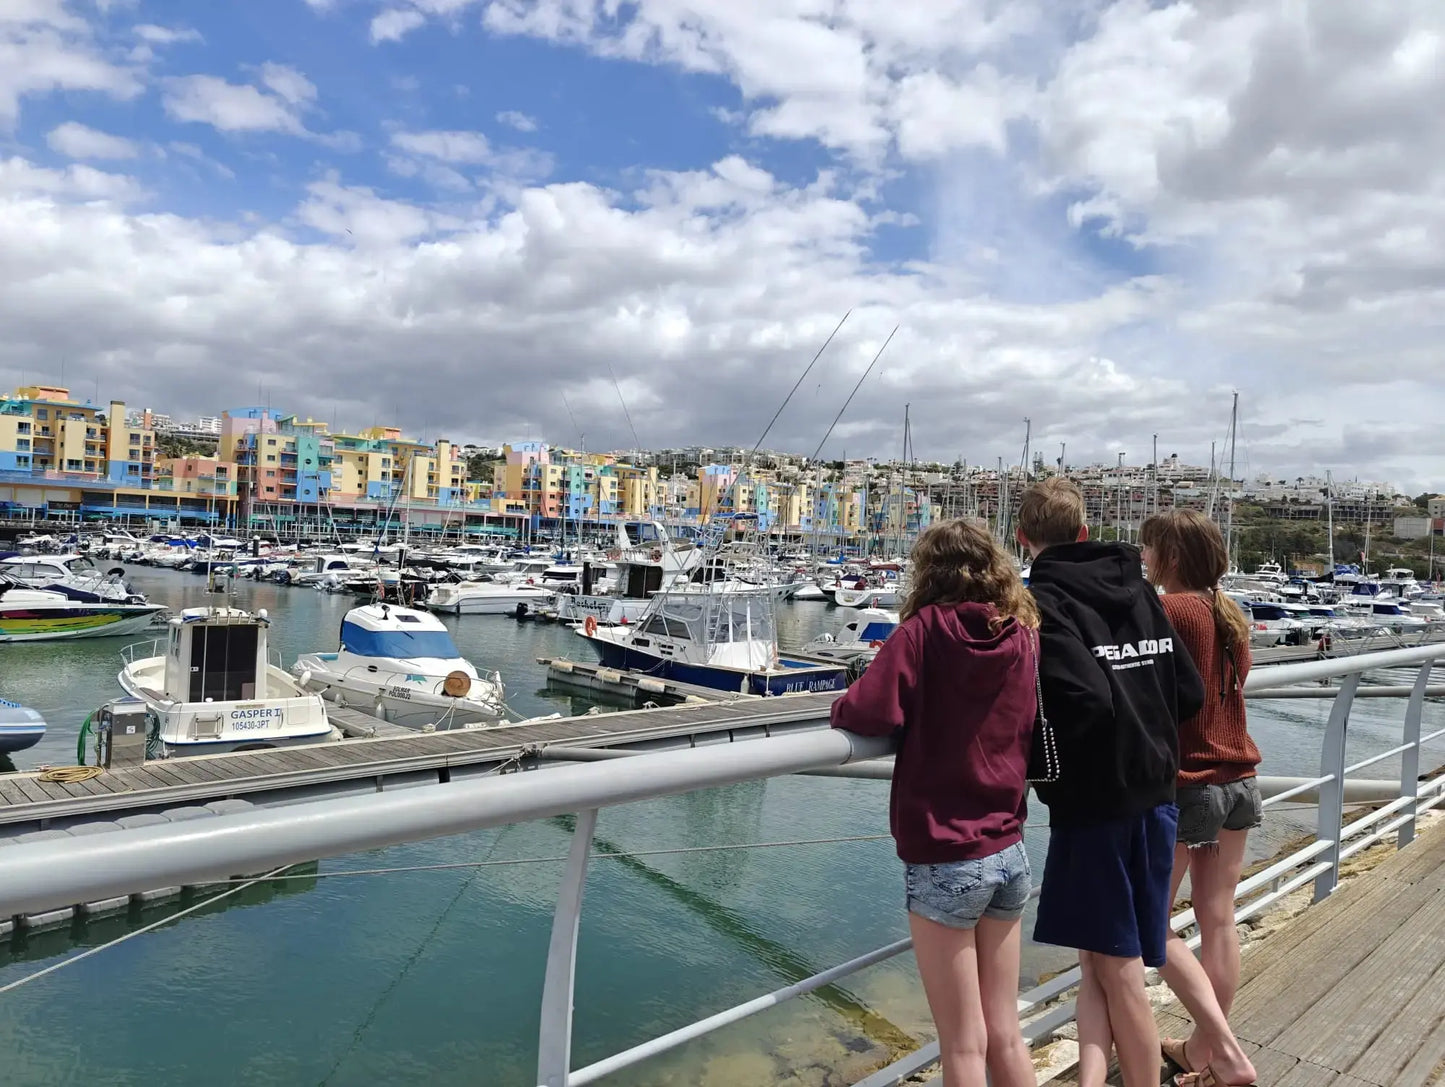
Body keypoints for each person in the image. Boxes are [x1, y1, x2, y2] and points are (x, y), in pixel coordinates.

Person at [830, 519, 1039, 1087]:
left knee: (962, 1045)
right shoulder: (1021, 633)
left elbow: (868, 713)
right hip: (1010, 849)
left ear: (930, 572)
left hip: (948, 855)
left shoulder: (923, 631)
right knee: (1006, 1031)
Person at [1016, 478, 1204, 1087]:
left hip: (1097, 810)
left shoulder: (1042, 601)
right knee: (1099, 962)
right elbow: (1190, 691)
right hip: (1157, 798)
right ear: (1084, 533)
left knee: (1120, 972)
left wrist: (1046, 766)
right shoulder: (1139, 588)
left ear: (1023, 539)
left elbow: (1086, 700)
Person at [1141, 510, 1262, 1087]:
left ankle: (1227, 1053)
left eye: (1148, 549)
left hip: (1192, 784)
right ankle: (1202, 1050)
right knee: (1218, 921)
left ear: (1169, 556)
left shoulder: (1172, 611)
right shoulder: (1229, 614)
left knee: (1152, 923)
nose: (1142, 558)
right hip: (1239, 777)